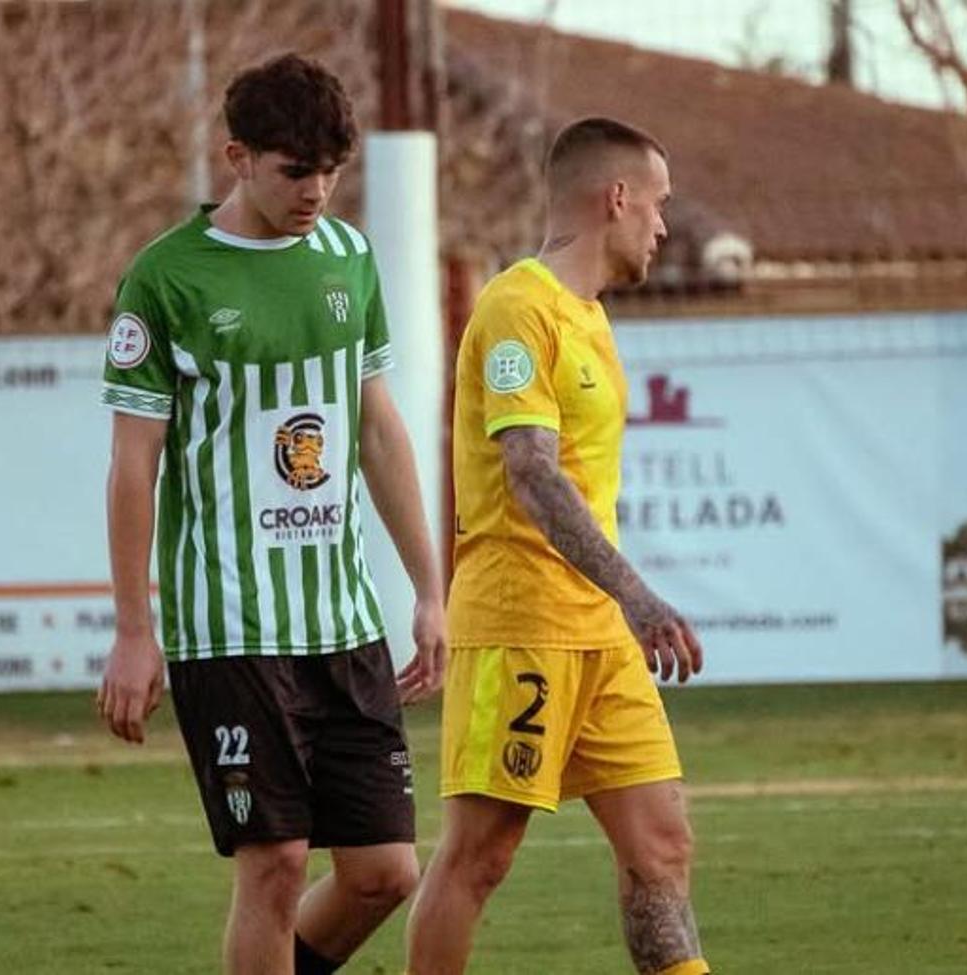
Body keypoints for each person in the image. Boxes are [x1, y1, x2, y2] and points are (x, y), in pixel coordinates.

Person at [97, 53, 446, 975]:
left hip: (343, 620)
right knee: (277, 862)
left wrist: (429, 590)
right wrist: (134, 629)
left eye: (331, 171)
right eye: (296, 171)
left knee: (384, 872)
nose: (316, 192)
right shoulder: (166, 278)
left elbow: (378, 430)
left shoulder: (348, 258)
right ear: (238, 158)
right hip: (230, 628)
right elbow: (133, 464)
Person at [406, 117, 710, 975]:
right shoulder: (517, 308)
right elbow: (532, 472)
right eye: (657, 204)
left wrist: (619, 607)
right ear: (616, 198)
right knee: (480, 855)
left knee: (661, 845)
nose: (662, 225)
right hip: (522, 625)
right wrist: (638, 595)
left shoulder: (590, 317)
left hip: (599, 636)